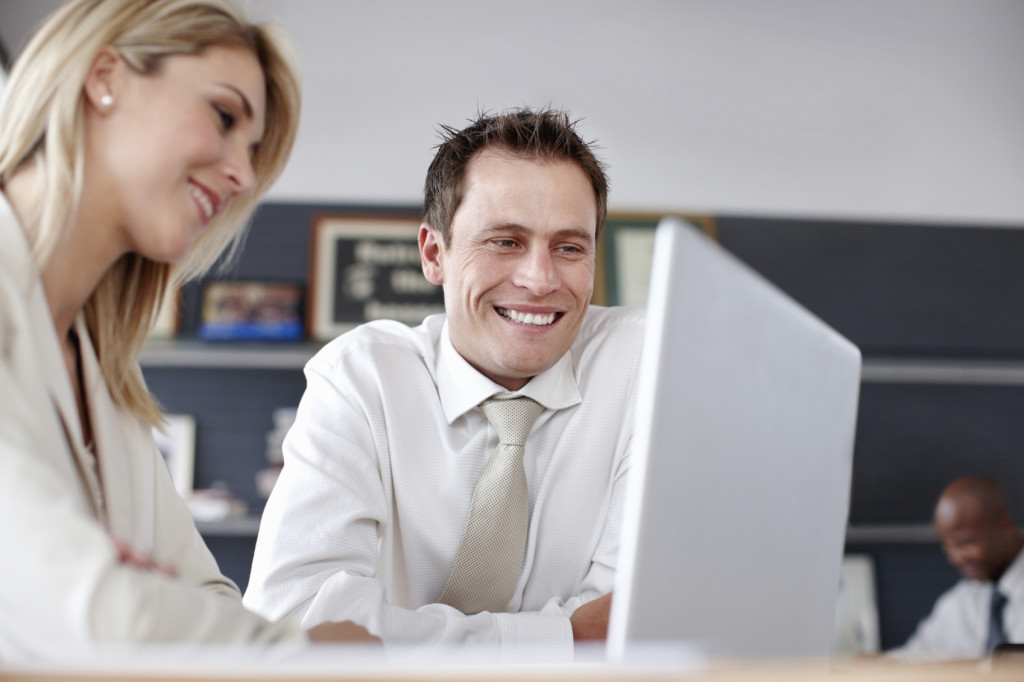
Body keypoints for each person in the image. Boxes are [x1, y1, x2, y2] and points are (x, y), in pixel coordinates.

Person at [0, 0, 375, 660]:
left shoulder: (106, 381)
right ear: (105, 75)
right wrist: (308, 654)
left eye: (254, 149)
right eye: (224, 117)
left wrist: (146, 604)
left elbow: (208, 602)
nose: (243, 174)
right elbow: (94, 612)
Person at [244, 107, 644, 657]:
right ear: (435, 254)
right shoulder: (362, 380)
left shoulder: (646, 365)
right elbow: (294, 618)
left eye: (569, 247)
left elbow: (631, 626)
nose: (539, 279)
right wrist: (562, 638)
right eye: (505, 241)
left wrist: (397, 636)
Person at [889, 476, 1024, 661]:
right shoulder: (964, 599)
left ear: (1003, 525)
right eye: (947, 547)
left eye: (965, 543)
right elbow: (914, 656)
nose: (955, 558)